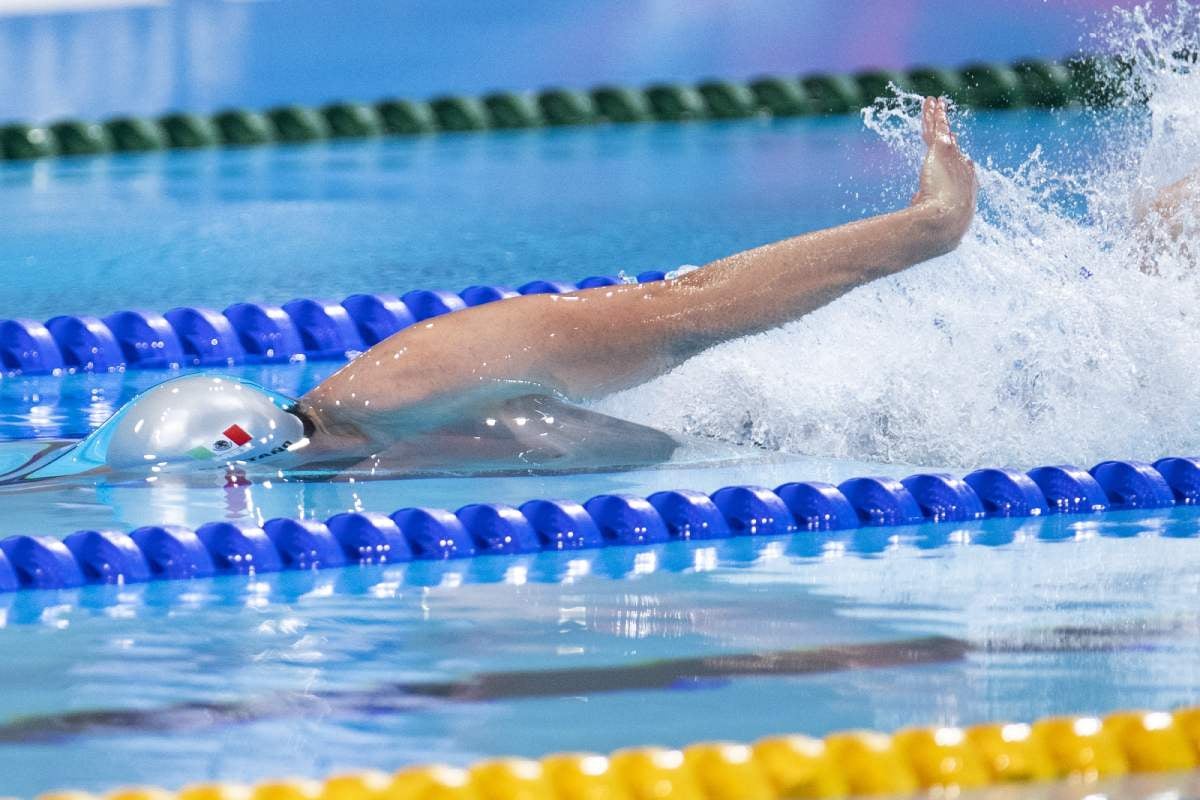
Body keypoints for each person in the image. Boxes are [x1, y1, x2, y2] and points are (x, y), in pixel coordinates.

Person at [7, 97, 978, 484]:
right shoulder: (354, 459)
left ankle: (925, 226)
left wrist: (923, 228)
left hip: (390, 408)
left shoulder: (398, 386)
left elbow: (691, 308)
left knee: (672, 312)